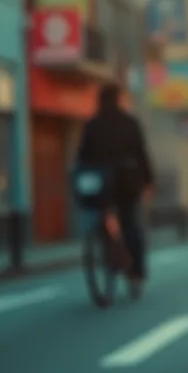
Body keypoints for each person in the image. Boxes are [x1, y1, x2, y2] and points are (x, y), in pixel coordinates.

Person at [76, 84, 154, 295]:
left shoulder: (92, 124)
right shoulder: (129, 123)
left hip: (99, 184)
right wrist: (148, 181)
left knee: (101, 215)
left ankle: (106, 250)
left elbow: (82, 157)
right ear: (119, 99)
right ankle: (136, 272)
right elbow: (141, 153)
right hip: (126, 183)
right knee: (129, 224)